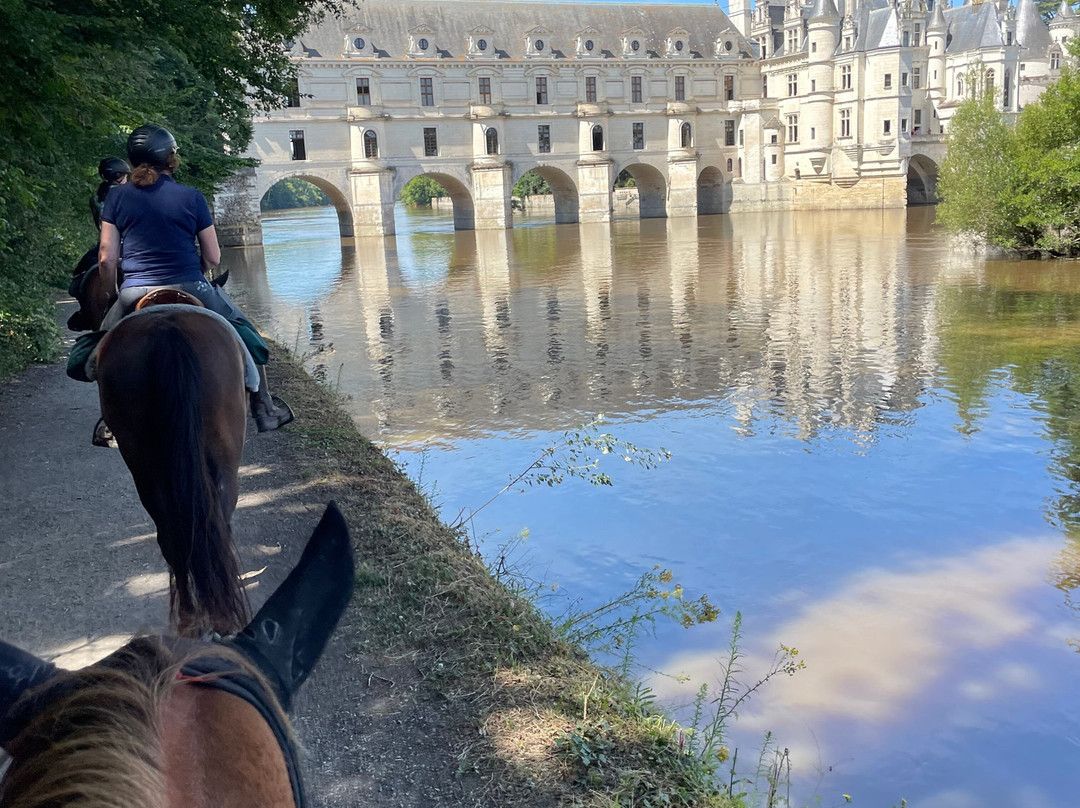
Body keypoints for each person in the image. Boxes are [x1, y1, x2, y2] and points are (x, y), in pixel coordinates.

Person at [95, 124, 293, 441]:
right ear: (171, 159)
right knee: (246, 334)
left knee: (99, 349)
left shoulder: (116, 198)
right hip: (191, 285)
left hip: (135, 290)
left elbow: (106, 258)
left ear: (132, 160)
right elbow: (213, 256)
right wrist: (195, 271)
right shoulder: (192, 197)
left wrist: (111, 294)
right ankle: (263, 406)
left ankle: (109, 420)